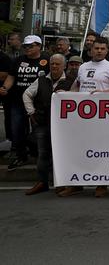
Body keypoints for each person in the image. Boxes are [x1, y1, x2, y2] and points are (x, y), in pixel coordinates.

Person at [61, 36, 109, 198]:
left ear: (107, 51)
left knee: (101, 151)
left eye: (103, 49)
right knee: (78, 150)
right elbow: (78, 88)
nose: (99, 51)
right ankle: (76, 184)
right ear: (91, 50)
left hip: (103, 118)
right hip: (82, 118)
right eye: (97, 48)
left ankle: (101, 184)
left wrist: (103, 94)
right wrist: (65, 95)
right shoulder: (83, 67)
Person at [22, 54, 74, 195]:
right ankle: (42, 182)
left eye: (57, 64)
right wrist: (31, 112)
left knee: (62, 154)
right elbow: (26, 94)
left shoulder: (71, 81)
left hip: (64, 127)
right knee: (43, 153)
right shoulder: (41, 80)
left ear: (64, 66)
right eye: (52, 64)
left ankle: (61, 182)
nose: (54, 66)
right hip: (43, 123)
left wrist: (68, 94)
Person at [0, 35, 50, 170]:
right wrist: (5, 88)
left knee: (38, 130)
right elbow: (11, 77)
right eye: (25, 46)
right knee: (17, 128)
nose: (27, 49)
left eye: (30, 46)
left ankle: (38, 154)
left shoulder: (47, 60)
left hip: (38, 103)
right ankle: (20, 155)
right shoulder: (18, 60)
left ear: (39, 46)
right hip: (18, 101)